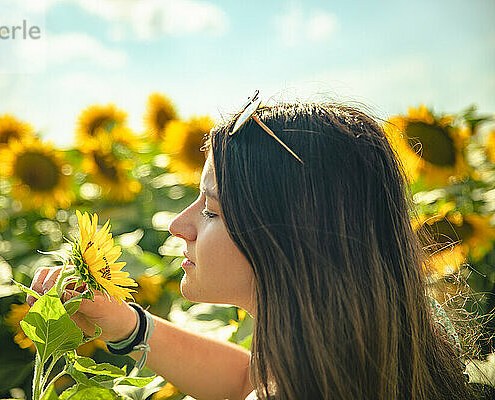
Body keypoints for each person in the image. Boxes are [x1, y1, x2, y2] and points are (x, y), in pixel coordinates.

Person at [29, 92, 477, 399]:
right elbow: (247, 378)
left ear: (287, 240)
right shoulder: (406, 333)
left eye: (211, 210)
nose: (177, 224)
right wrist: (128, 325)